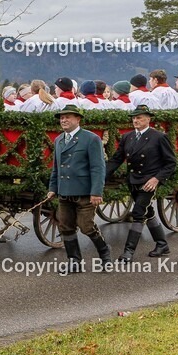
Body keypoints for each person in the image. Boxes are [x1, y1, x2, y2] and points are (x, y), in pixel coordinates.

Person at [105, 105, 178, 262]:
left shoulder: (159, 137)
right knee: (148, 211)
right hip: (133, 181)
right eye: (134, 118)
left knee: (138, 213)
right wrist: (102, 176)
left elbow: (171, 162)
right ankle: (162, 244)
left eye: (139, 117)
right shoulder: (128, 137)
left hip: (149, 182)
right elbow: (117, 159)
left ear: (148, 119)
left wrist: (156, 179)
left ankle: (128, 252)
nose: (135, 120)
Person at [45, 104, 112, 273]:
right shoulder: (59, 140)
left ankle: (105, 254)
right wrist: (52, 187)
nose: (64, 120)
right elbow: (56, 167)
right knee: (66, 227)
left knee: (86, 226)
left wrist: (96, 191)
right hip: (64, 192)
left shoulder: (91, 139)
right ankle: (74, 261)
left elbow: (98, 167)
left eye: (68, 117)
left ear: (78, 119)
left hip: (84, 192)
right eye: (61, 117)